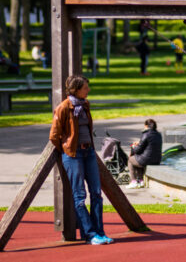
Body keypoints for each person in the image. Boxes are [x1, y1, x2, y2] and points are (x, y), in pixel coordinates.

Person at [49, 75, 113, 245]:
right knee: (79, 196)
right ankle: (90, 234)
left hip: (89, 153)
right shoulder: (63, 108)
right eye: (85, 88)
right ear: (76, 89)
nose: (88, 90)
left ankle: (100, 232)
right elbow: (54, 135)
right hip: (73, 155)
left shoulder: (85, 105)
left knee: (96, 194)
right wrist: (67, 149)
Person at [126, 119, 163, 189]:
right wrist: (139, 143)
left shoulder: (146, 134)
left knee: (131, 160)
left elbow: (138, 150)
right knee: (138, 159)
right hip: (157, 160)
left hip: (147, 159)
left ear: (146, 126)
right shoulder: (158, 134)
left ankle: (133, 181)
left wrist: (134, 146)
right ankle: (141, 181)